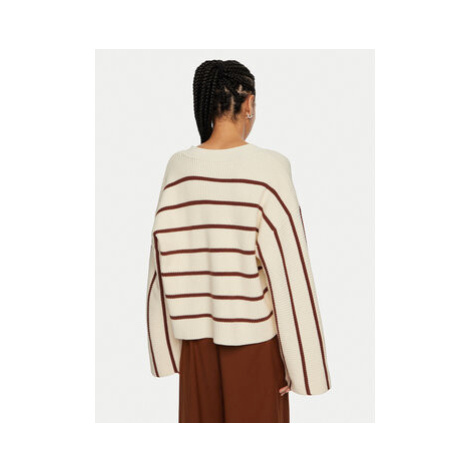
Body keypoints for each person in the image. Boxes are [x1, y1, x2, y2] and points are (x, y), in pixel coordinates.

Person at [146, 59, 331, 423]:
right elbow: (291, 272)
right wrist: (305, 369)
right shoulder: (269, 168)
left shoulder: (178, 168)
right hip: (254, 350)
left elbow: (159, 264)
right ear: (249, 103)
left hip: (195, 349)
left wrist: (166, 351)